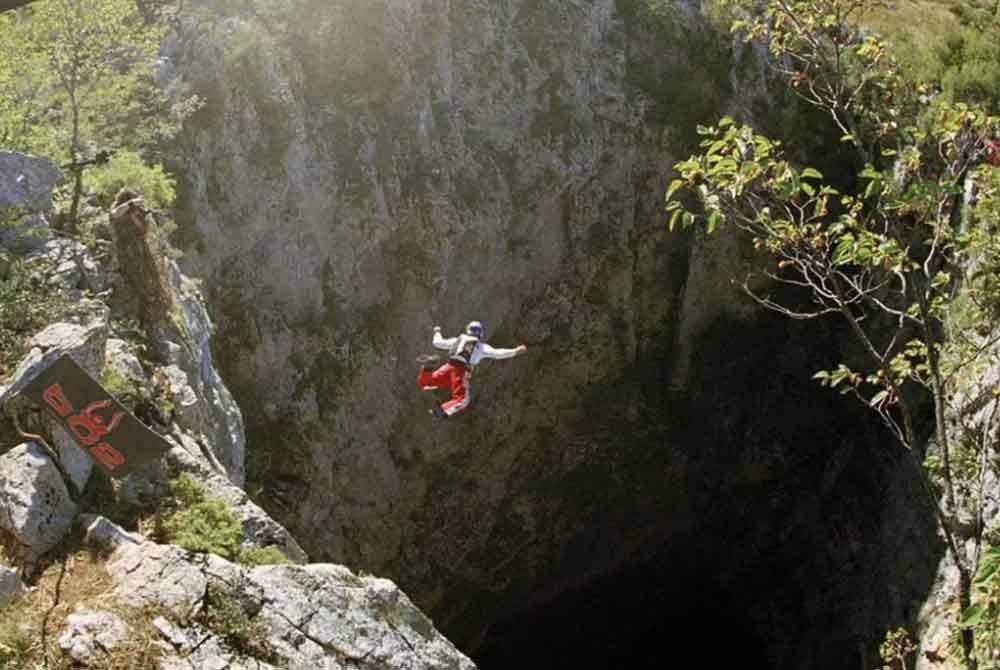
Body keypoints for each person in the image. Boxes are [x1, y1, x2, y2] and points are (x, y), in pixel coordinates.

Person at [415, 320, 527, 418]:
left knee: (425, 384)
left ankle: (427, 368)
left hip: (449, 366)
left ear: (468, 330)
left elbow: (437, 343)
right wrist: (515, 351)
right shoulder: (481, 347)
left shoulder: (458, 339)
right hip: (461, 371)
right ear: (481, 333)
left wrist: (437, 332)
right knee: (462, 399)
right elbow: (498, 353)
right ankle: (440, 411)